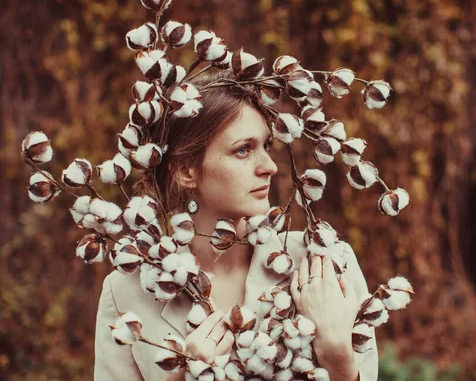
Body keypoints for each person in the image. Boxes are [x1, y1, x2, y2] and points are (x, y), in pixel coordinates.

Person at [94, 71, 378, 381]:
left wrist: (338, 359)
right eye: (243, 150)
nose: (269, 167)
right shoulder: (126, 294)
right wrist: (182, 375)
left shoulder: (325, 265)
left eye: (266, 146)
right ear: (187, 170)